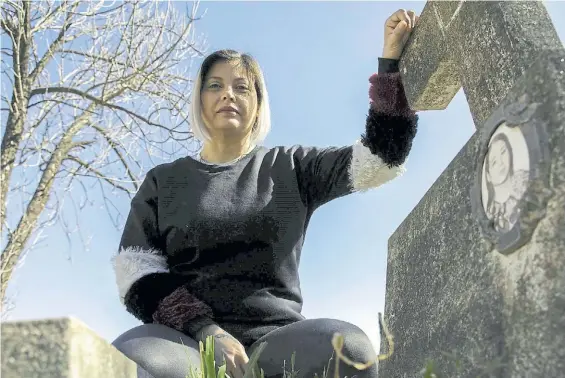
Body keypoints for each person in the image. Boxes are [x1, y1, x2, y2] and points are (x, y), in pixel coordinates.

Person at [111, 9, 419, 378]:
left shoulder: (291, 167)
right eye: (215, 85)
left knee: (350, 348)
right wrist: (206, 331)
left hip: (277, 343)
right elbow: (136, 274)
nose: (228, 94)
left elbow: (381, 159)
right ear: (200, 100)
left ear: (258, 103)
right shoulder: (163, 180)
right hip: (185, 344)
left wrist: (389, 64)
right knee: (125, 360)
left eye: (242, 87)